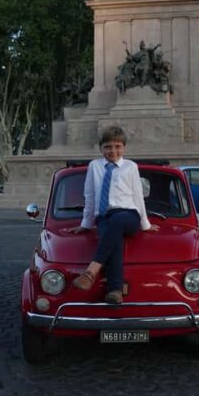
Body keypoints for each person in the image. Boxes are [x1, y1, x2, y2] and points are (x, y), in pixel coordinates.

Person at [69, 126, 159, 304]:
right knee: (112, 240)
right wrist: (86, 224)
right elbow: (90, 195)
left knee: (117, 222)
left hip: (128, 215)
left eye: (118, 146)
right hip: (104, 216)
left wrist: (145, 225)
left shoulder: (130, 167)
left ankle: (91, 271)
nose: (113, 151)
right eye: (108, 146)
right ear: (101, 148)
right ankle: (115, 291)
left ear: (124, 148)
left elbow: (137, 196)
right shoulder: (94, 166)